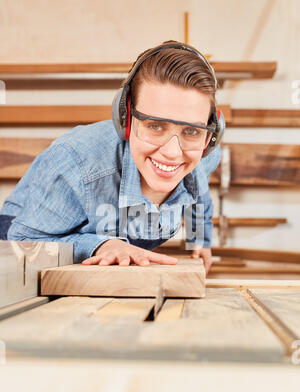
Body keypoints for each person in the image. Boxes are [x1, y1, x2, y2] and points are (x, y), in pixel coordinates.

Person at [0, 40, 224, 274]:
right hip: (30, 231)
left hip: (116, 243)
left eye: (191, 130)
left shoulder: (203, 156)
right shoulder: (75, 161)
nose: (172, 153)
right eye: (155, 126)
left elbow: (199, 197)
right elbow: (24, 239)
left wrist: (200, 241)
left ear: (212, 136)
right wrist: (99, 245)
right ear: (125, 119)